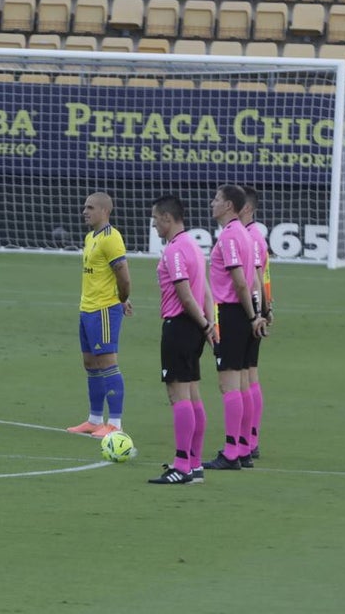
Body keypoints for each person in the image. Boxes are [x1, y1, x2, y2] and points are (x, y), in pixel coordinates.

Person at [148, 196, 215, 485]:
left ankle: (181, 466)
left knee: (178, 395)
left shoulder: (175, 250)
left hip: (179, 326)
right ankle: (195, 463)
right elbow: (207, 291)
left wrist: (202, 322)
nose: (153, 224)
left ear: (167, 218)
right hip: (195, 327)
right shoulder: (194, 247)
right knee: (193, 394)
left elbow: (186, 295)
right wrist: (209, 325)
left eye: (155, 218)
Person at [203, 185, 267, 471]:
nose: (212, 203)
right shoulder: (245, 234)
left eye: (217, 199)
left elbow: (241, 281)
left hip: (230, 313)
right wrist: (258, 312)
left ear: (228, 205)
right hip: (243, 313)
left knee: (228, 384)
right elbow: (255, 278)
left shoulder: (230, 235)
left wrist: (253, 315)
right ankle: (241, 447)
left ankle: (231, 451)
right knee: (242, 382)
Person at [66, 192, 132, 439]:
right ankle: (95, 420)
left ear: (105, 211)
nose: (85, 211)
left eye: (90, 207)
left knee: (107, 363)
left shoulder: (111, 238)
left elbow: (124, 275)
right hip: (87, 309)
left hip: (104, 310)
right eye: (84, 207)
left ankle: (115, 423)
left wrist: (121, 300)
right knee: (90, 364)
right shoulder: (90, 237)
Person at [240, 186, 272, 461]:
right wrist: (267, 307)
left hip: (246, 311)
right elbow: (265, 278)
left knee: (245, 376)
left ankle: (248, 439)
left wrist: (258, 312)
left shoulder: (248, 237)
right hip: (257, 308)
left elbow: (256, 279)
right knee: (250, 374)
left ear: (247, 209)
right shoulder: (255, 237)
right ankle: (251, 438)